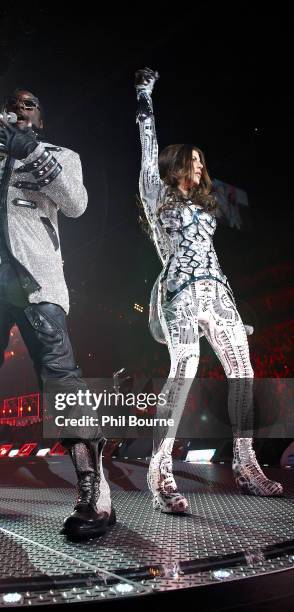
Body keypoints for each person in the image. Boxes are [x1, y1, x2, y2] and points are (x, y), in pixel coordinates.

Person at [0, 88, 115, 539]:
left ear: (40, 118)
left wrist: (30, 151)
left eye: (28, 103)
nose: (18, 107)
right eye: (11, 103)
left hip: (36, 283)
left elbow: (76, 203)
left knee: (60, 380)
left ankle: (95, 493)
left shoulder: (59, 155)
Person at [135, 68, 283, 513]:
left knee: (244, 372)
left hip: (218, 289)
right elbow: (147, 148)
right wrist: (144, 96)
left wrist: (236, 308)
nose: (200, 167)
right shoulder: (156, 193)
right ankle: (159, 469)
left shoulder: (203, 206)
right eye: (193, 160)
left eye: (202, 162)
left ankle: (246, 463)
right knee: (185, 370)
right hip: (180, 290)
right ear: (176, 163)